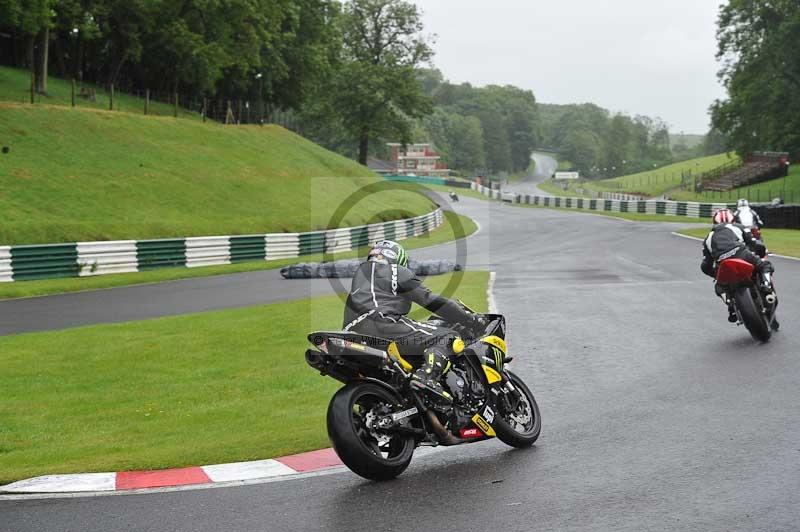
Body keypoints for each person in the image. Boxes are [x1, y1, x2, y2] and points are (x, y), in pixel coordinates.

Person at [342, 240, 482, 403]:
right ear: (399, 259)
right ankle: (426, 377)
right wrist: (470, 319)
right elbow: (431, 301)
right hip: (382, 325)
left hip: (352, 336)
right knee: (447, 337)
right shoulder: (395, 270)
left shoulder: (358, 286)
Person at [700, 209, 775, 323]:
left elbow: (706, 265)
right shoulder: (738, 227)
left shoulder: (707, 239)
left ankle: (731, 305)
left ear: (714, 222)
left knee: (719, 287)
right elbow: (754, 243)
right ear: (733, 220)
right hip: (741, 253)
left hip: (723, 262)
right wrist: (762, 252)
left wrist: (715, 274)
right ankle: (766, 286)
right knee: (765, 265)